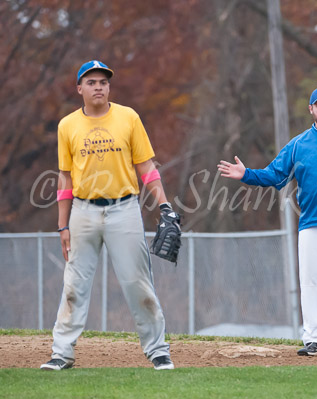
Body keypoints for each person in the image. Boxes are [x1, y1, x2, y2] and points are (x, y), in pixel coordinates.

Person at [218, 86, 317, 356]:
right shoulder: (299, 145)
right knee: (313, 283)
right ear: (311, 110)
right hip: (313, 224)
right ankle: (315, 340)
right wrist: (246, 174)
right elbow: (275, 176)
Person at [40, 60, 175, 371]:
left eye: (103, 81)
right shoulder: (67, 125)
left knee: (137, 283)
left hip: (124, 209)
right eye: (91, 82)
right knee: (74, 284)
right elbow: (65, 178)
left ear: (109, 87)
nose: (98, 86)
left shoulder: (128, 117)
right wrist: (62, 225)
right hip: (83, 213)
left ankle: (158, 351)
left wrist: (164, 205)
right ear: (79, 89)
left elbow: (146, 166)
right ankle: (62, 353)